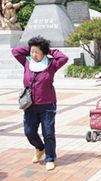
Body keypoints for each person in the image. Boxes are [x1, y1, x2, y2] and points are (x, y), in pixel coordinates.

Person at [12, 36, 69, 171]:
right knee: (29, 132)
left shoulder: (51, 64)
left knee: (48, 133)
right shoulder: (26, 62)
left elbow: (64, 58)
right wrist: (32, 47)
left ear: (44, 52)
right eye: (32, 51)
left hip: (47, 104)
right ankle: (40, 147)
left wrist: (49, 50)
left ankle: (50, 158)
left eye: (37, 52)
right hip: (30, 104)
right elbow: (15, 51)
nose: (34, 55)